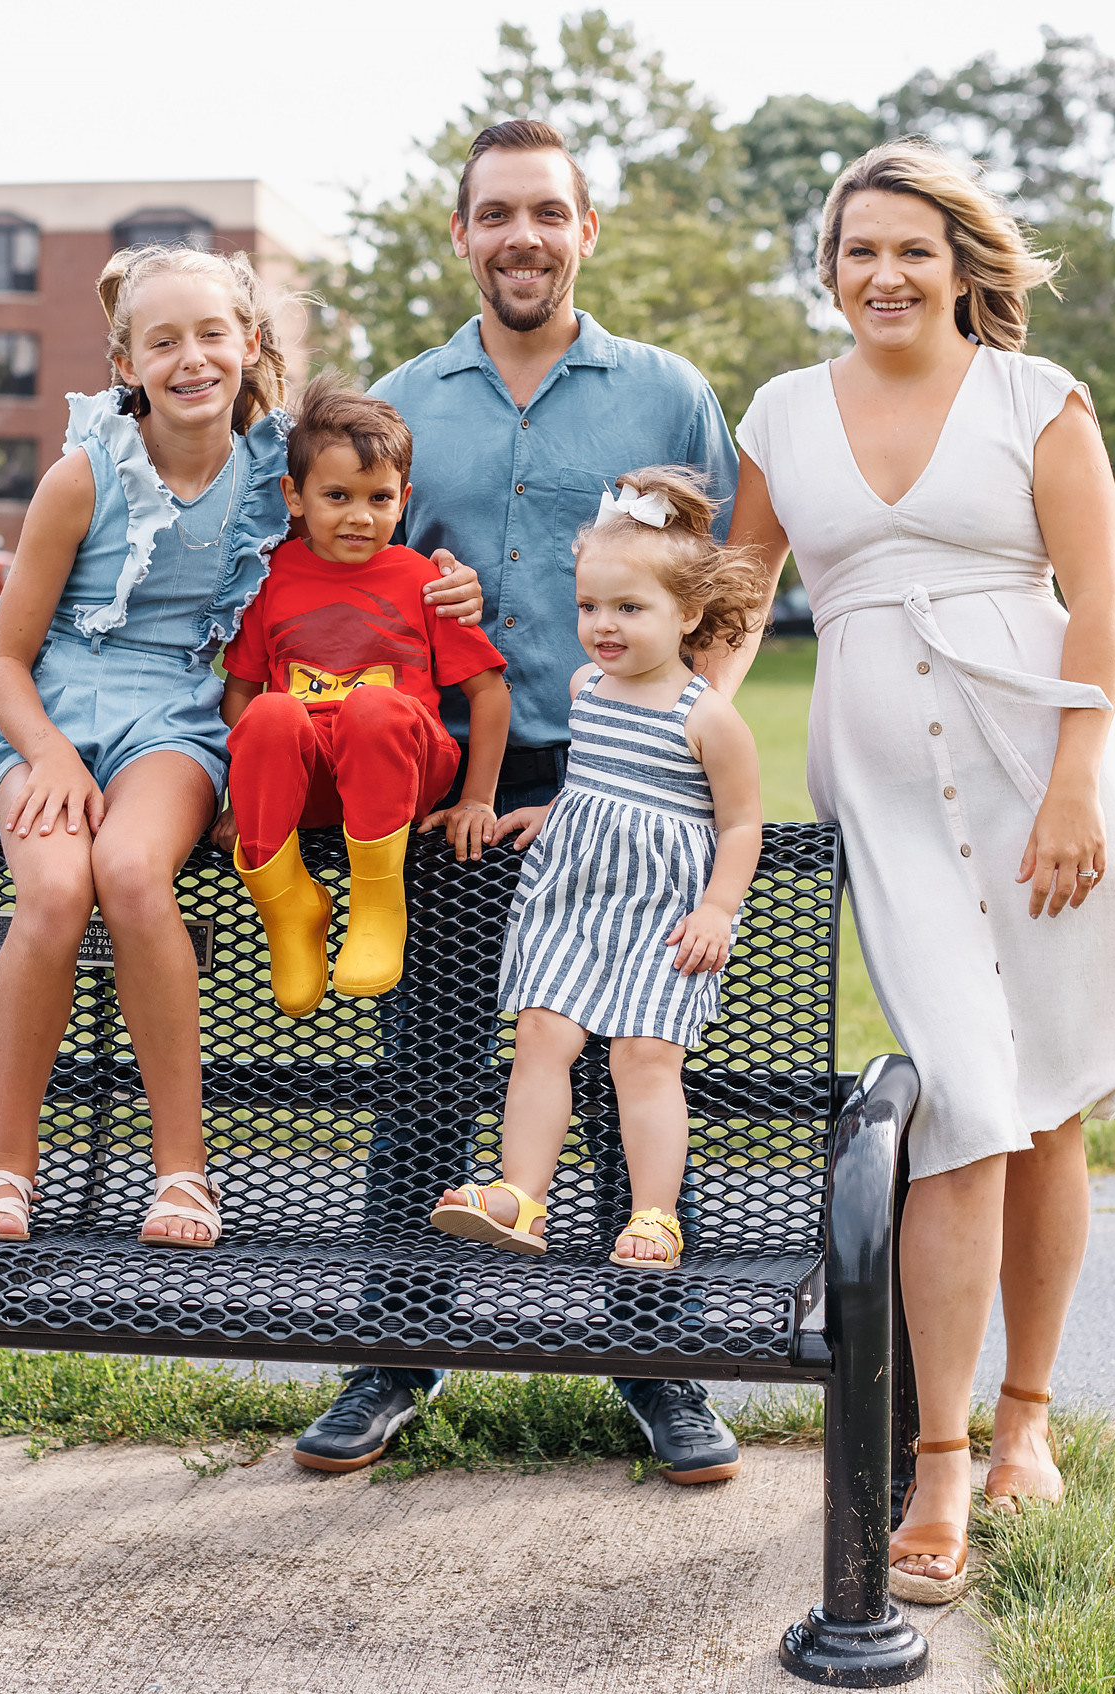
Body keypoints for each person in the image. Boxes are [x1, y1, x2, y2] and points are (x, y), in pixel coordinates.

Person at [728, 138, 1115, 1603]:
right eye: (859, 248)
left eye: (912, 248)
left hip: (1042, 773)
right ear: (829, 265)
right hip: (886, 792)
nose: (884, 273)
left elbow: (1099, 595)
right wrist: (695, 711)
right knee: (965, 1099)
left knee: (1043, 1098)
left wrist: (1074, 785)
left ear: (961, 262)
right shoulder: (783, 413)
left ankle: (1026, 1421)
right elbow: (738, 600)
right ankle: (935, 1458)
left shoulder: (1036, 401)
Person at [289, 117, 753, 1484]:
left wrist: (694, 722)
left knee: (634, 1064)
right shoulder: (401, 398)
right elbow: (344, 567)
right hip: (453, 783)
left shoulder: (666, 393)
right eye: (496, 214)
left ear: (585, 229)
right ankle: (395, 1348)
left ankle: (660, 1364)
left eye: (547, 212)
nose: (523, 237)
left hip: (632, 782)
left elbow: (726, 585)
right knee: (431, 1063)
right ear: (462, 236)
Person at [0, 247, 481, 1248]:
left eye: (211, 335)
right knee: (57, 889)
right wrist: (51, 758)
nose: (190, 358)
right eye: (163, 342)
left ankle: (182, 1175)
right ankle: (7, 1168)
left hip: (182, 717)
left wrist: (440, 576)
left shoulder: (273, 474)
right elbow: (0, 662)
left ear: (249, 346)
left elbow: (363, 526)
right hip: (55, 717)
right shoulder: (81, 479)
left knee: (127, 869)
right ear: (127, 366)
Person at [430, 468, 767, 1308]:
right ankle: (521, 1196)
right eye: (590, 607)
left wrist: (718, 907)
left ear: (687, 614)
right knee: (541, 1032)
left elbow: (740, 825)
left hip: (660, 916)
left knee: (643, 1058)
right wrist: (555, 811)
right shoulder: (586, 692)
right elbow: (599, 781)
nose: (602, 627)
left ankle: (655, 1213)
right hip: (574, 899)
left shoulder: (707, 717)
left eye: (629, 608)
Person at [220, 378, 511, 1014]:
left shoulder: (423, 580)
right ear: (294, 496)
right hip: (309, 778)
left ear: (404, 500)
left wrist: (478, 800)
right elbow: (239, 695)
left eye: (379, 498)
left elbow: (488, 693)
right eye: (336, 496)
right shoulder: (270, 579)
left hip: (401, 769)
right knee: (272, 711)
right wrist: (247, 801)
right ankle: (289, 907)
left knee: (371, 708)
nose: (360, 515)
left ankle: (378, 902)